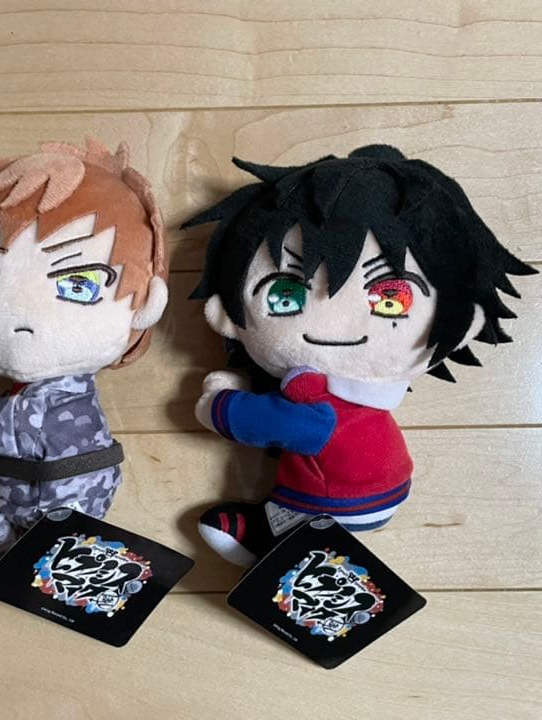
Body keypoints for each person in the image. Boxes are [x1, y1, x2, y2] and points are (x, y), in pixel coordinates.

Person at [184, 144, 536, 566]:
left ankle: (273, 544)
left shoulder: (323, 410)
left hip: (338, 499)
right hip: (388, 483)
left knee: (284, 529)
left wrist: (218, 406)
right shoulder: (366, 398)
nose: (332, 321)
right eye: (286, 295)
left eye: (391, 298)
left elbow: (266, 422)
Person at [0, 139, 168, 591]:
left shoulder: (44, 403)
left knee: (14, 526)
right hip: (56, 492)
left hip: (52, 503)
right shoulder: (66, 394)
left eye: (80, 283)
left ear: (145, 303)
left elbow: (0, 425)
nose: (25, 315)